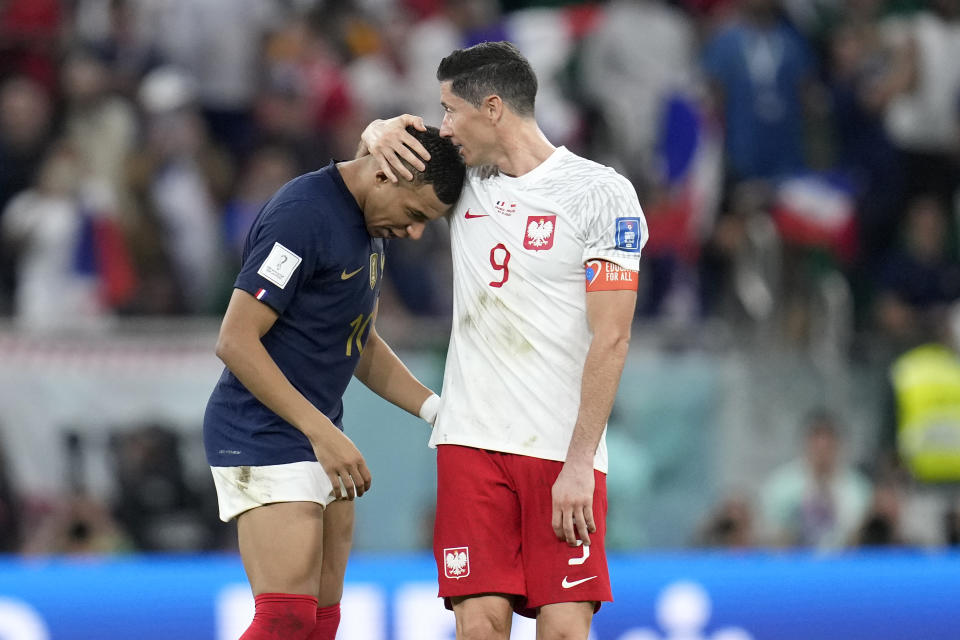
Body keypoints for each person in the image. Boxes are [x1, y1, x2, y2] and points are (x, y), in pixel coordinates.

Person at [360, 41, 647, 640]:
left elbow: (612, 338)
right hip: (472, 442)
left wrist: (578, 462)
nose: (443, 125)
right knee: (480, 624)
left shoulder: (602, 195)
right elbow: (374, 175)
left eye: (449, 110)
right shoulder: (463, 182)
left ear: (491, 109)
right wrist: (378, 128)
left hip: (561, 451)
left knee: (565, 628)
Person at [202, 125, 464, 640]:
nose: (413, 233)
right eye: (414, 216)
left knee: (320, 624)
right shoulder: (303, 215)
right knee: (285, 619)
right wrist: (322, 433)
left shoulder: (368, 221)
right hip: (261, 431)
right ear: (386, 173)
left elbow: (359, 341)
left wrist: (436, 409)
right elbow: (235, 340)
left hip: (317, 433)